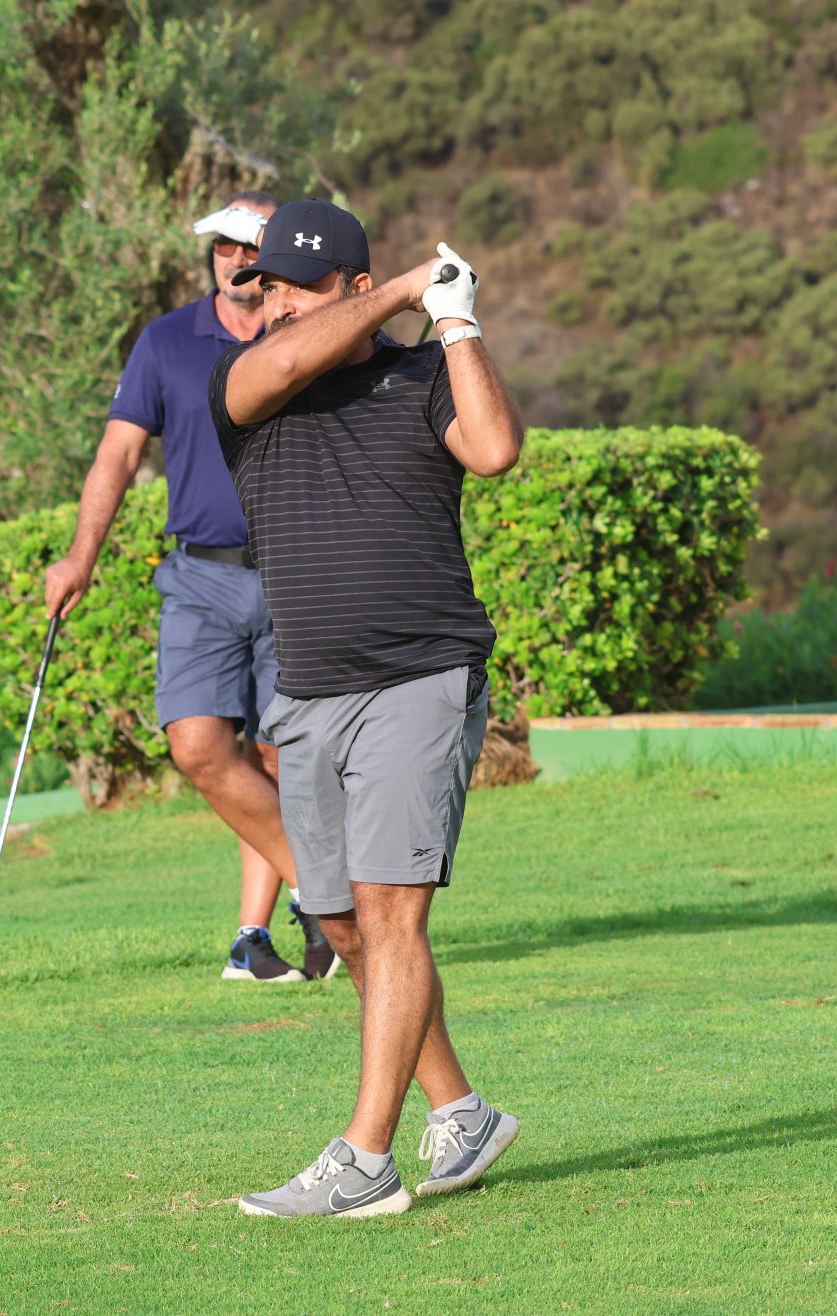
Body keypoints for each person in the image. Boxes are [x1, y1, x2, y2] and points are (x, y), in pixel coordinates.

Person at [210, 199, 522, 1218]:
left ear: (345, 290)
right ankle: (462, 1110)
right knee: (340, 920)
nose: (273, 309)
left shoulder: (425, 376)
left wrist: (455, 322)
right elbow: (275, 365)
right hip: (307, 692)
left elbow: (494, 449)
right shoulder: (249, 392)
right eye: (266, 292)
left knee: (392, 915)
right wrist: (395, 291)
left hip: (420, 678)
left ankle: (364, 1158)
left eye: (296, 291)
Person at [43, 190, 335, 984]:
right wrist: (81, 555)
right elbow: (116, 454)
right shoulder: (168, 341)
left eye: (252, 249)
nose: (237, 261)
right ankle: (321, 897)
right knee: (199, 747)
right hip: (200, 578)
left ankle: (253, 934)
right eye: (225, 248)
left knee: (279, 760)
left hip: (291, 572)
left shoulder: (309, 335)